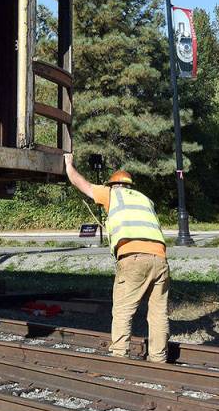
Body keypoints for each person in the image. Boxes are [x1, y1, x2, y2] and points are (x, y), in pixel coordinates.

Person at [64, 154, 169, 363]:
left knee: (123, 309)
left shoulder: (112, 194)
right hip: (160, 258)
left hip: (132, 257)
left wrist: (69, 165)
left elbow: (80, 182)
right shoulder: (145, 199)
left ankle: (119, 357)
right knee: (158, 313)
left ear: (113, 185)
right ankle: (158, 359)